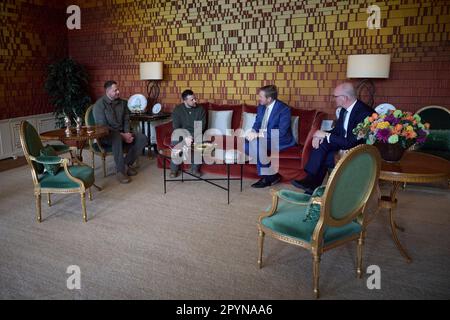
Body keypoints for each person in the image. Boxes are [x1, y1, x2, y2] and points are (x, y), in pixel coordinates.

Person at [292, 82, 373, 194]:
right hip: (343, 142)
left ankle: (312, 183)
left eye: (335, 96)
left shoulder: (365, 113)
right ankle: (310, 180)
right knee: (321, 144)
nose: (333, 99)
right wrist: (319, 135)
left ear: (344, 98)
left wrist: (324, 135)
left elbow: (350, 142)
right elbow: (336, 131)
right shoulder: (345, 109)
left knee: (327, 156)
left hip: (356, 148)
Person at [93, 80, 147, 184]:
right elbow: (102, 127)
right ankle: (120, 171)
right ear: (108, 91)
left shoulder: (122, 103)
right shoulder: (99, 105)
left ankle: (126, 164)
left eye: (118, 89)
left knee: (142, 138)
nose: (118, 92)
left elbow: (126, 119)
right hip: (106, 135)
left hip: (122, 133)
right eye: (115, 90)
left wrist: (127, 133)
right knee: (116, 137)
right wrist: (122, 136)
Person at [245, 85, 296, 188]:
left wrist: (258, 135)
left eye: (261, 96)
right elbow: (258, 122)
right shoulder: (261, 106)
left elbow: (281, 132)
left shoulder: (284, 109)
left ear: (269, 99)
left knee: (257, 144)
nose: (259, 98)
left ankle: (266, 177)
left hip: (280, 139)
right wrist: (252, 132)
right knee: (245, 144)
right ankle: (272, 175)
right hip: (264, 137)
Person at [170, 89, 207, 178]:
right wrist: (185, 136)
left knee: (199, 140)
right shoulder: (178, 110)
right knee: (176, 139)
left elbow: (201, 126)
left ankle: (194, 168)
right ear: (185, 101)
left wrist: (191, 136)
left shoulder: (200, 109)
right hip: (181, 132)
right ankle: (174, 169)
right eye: (192, 100)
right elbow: (176, 127)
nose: (195, 101)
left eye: (195, 98)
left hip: (196, 132)